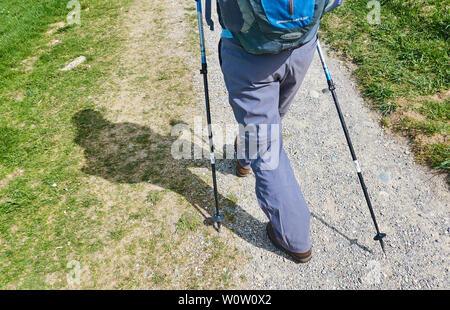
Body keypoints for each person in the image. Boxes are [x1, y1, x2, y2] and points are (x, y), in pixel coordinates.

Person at [216, 0, 343, 263]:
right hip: (302, 46)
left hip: (247, 52)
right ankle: (244, 156)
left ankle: (294, 238)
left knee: (265, 145)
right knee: (267, 126)